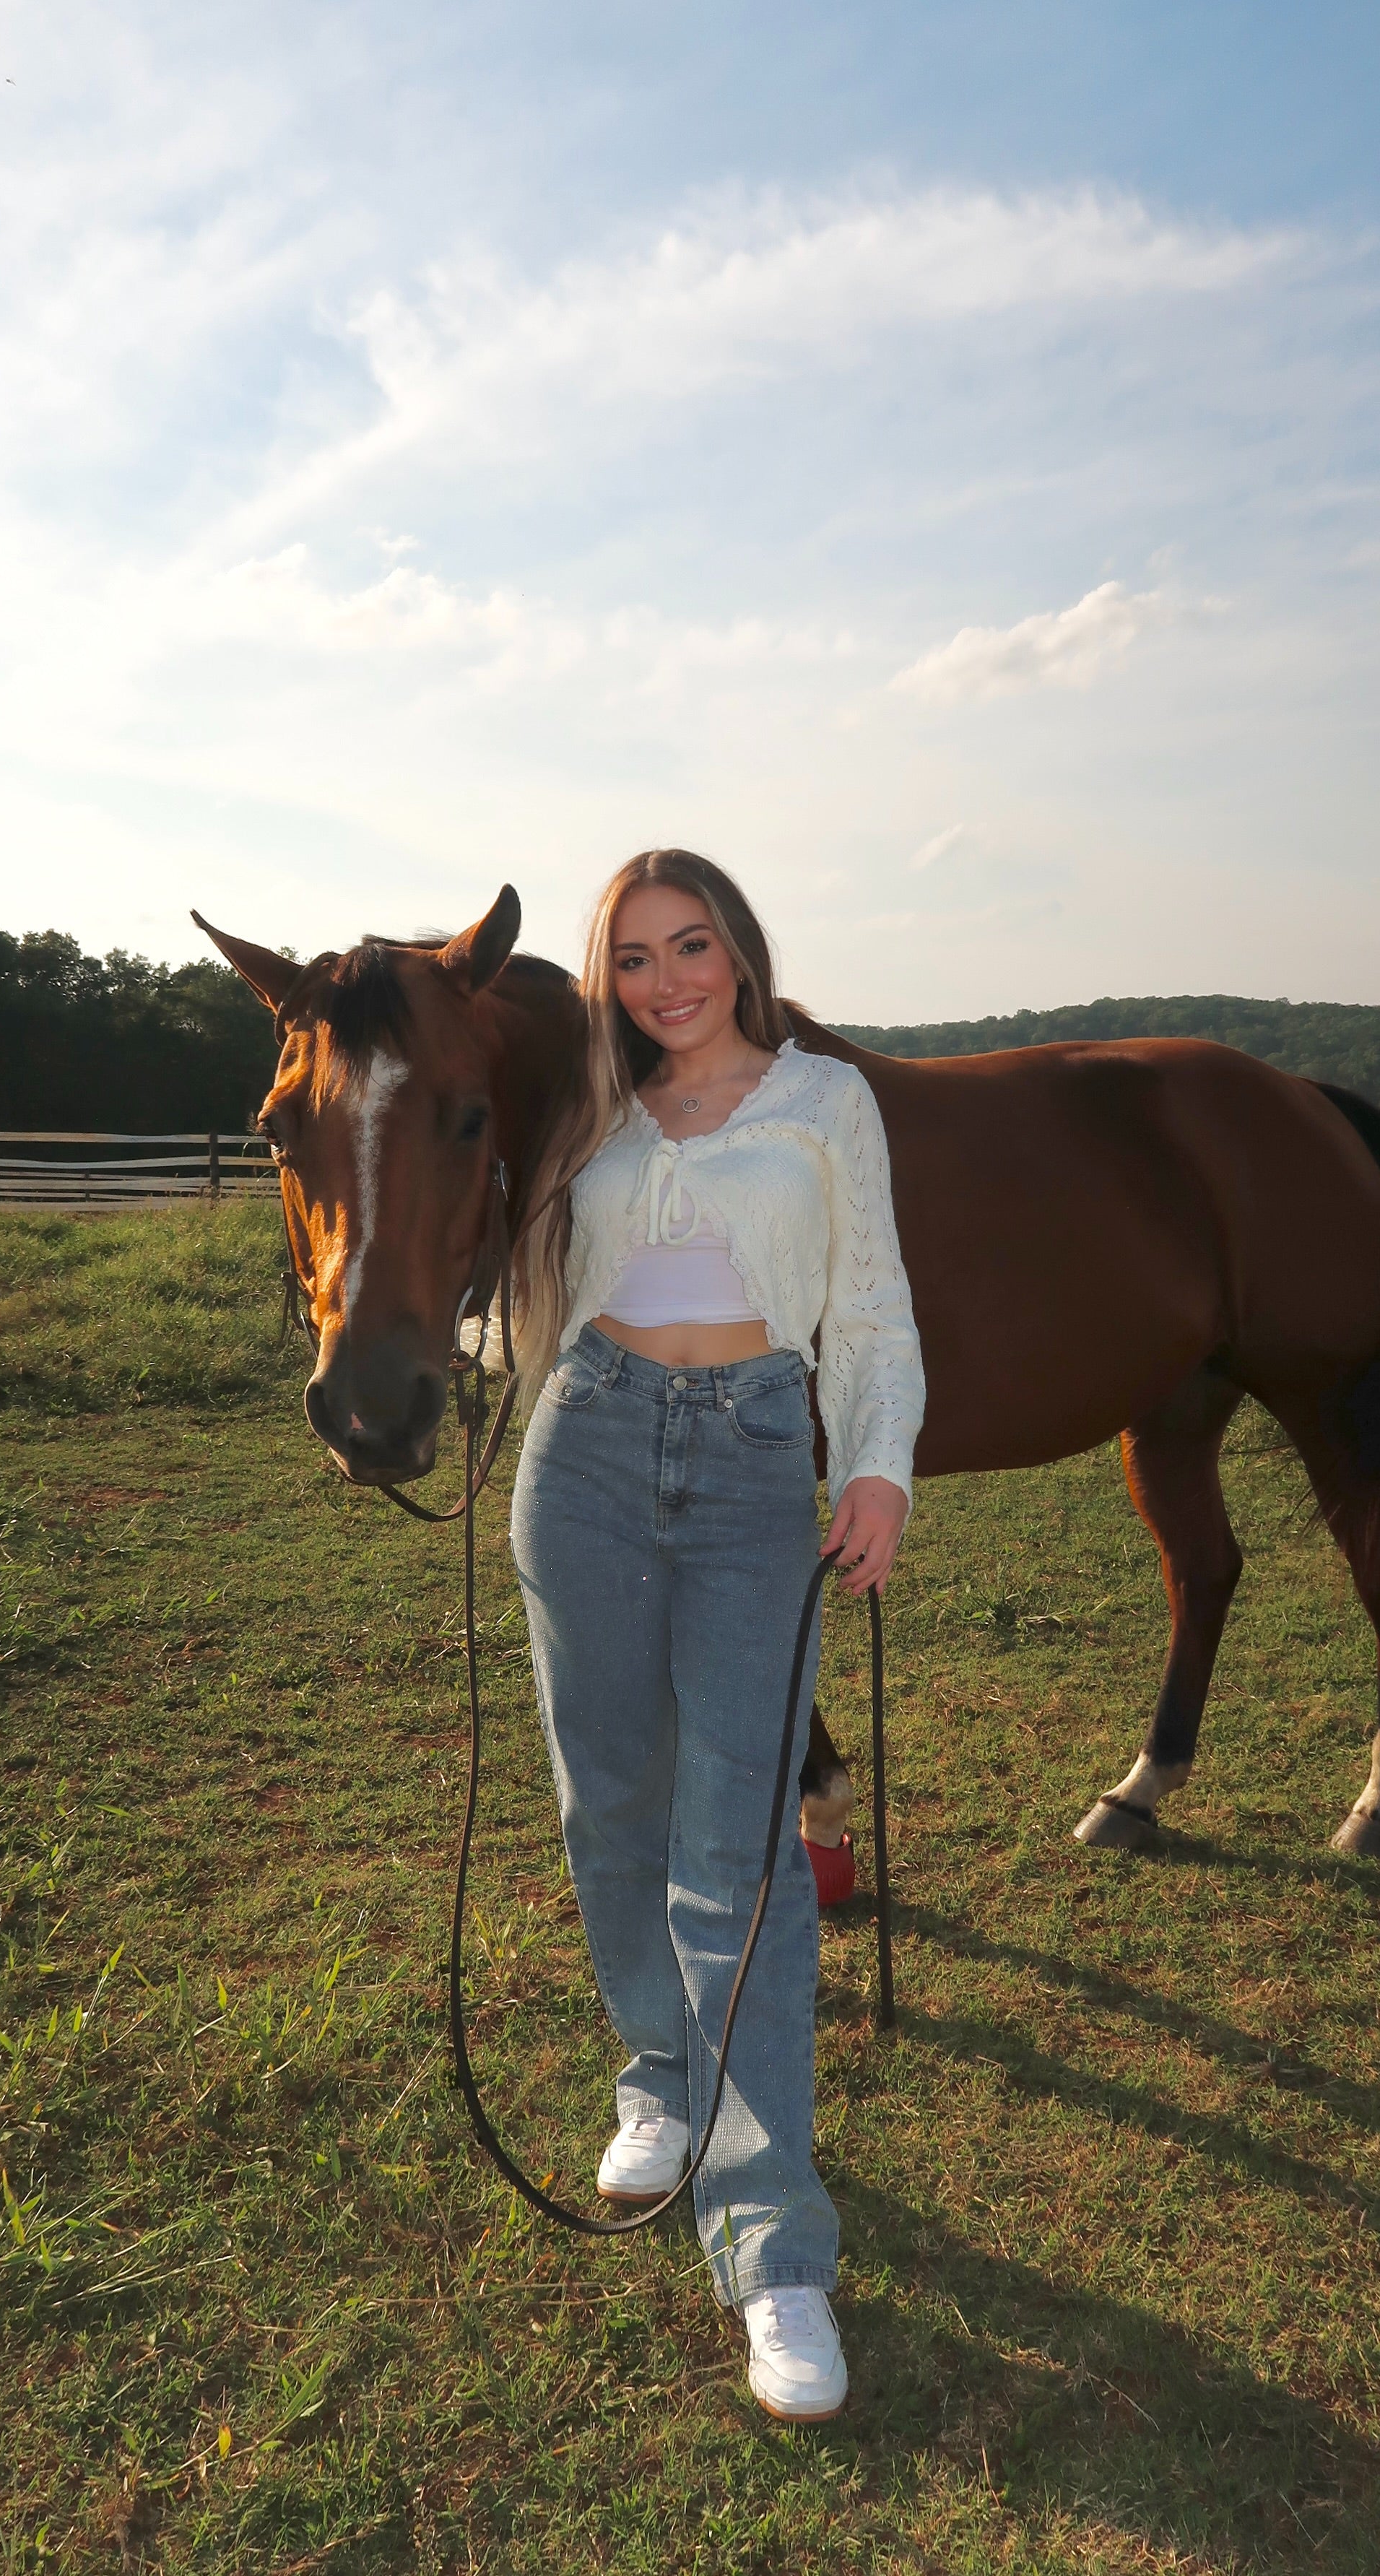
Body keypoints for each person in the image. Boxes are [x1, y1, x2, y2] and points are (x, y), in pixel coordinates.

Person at [510, 848, 924, 2421]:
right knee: (605, 1802)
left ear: (740, 953)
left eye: (691, 947)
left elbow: (872, 1307)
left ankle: (776, 2253)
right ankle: (658, 2078)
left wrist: (876, 1459)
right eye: (633, 957)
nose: (666, 979)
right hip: (589, 1449)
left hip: (756, 1460)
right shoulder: (593, 1108)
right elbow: (532, 1273)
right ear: (604, 976)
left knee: (740, 1855)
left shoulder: (824, 1102)